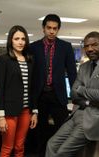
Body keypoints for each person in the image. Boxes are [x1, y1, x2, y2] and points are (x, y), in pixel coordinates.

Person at [46, 31, 99, 157]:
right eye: (86, 46)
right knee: (51, 144)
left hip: (97, 117)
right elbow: (73, 93)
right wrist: (87, 99)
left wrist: (81, 90)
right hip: (78, 114)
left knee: (62, 152)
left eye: (94, 45)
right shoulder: (84, 66)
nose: (90, 49)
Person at [30, 14, 77, 157]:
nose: (52, 31)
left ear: (58, 30)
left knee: (62, 129)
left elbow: (73, 74)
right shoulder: (33, 47)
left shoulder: (66, 47)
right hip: (40, 95)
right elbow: (31, 75)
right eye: (49, 28)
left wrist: (75, 99)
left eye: (55, 28)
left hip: (58, 96)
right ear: (43, 28)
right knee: (40, 131)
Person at [0, 25, 38, 157]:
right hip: (9, 112)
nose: (20, 42)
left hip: (26, 111)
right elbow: (0, 88)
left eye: (23, 39)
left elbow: (33, 88)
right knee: (8, 147)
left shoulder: (30, 60)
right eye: (16, 39)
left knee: (20, 146)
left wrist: (34, 111)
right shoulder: (4, 60)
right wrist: (0, 116)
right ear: (11, 41)